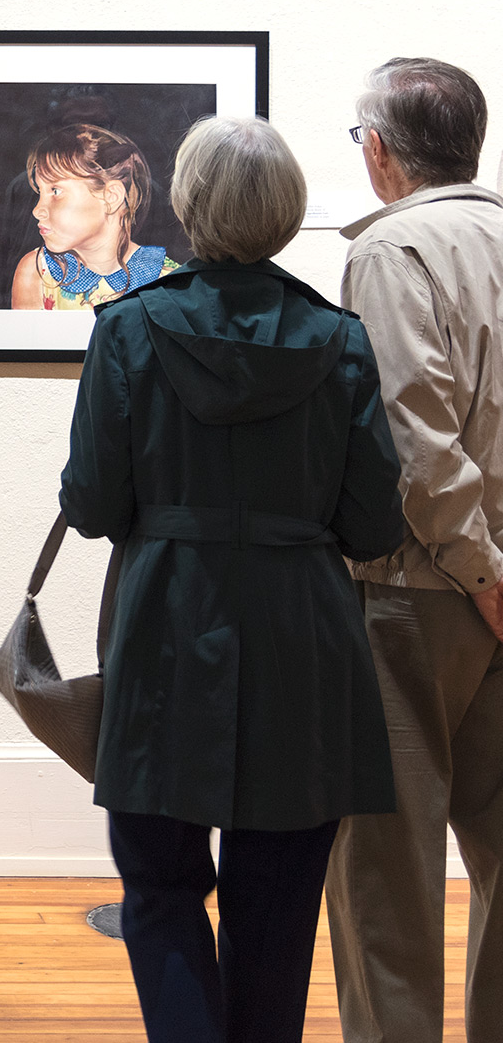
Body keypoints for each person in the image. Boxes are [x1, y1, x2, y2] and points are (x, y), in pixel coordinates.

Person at [59, 116, 406, 1042]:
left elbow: (92, 503)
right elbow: (375, 524)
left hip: (169, 624)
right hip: (305, 636)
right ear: (286, 213)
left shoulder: (128, 331)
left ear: (187, 205)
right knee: (280, 903)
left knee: (162, 887)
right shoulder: (340, 341)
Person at [326, 57, 503, 1043]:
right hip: (478, 580)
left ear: (380, 149)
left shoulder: (391, 252)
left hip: (421, 591)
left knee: (385, 876)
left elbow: (412, 438)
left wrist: (480, 574)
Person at [11, 123, 179, 309]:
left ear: (111, 197)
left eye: (56, 191)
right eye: (40, 192)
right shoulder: (37, 272)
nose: (37, 211)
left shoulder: (169, 280)